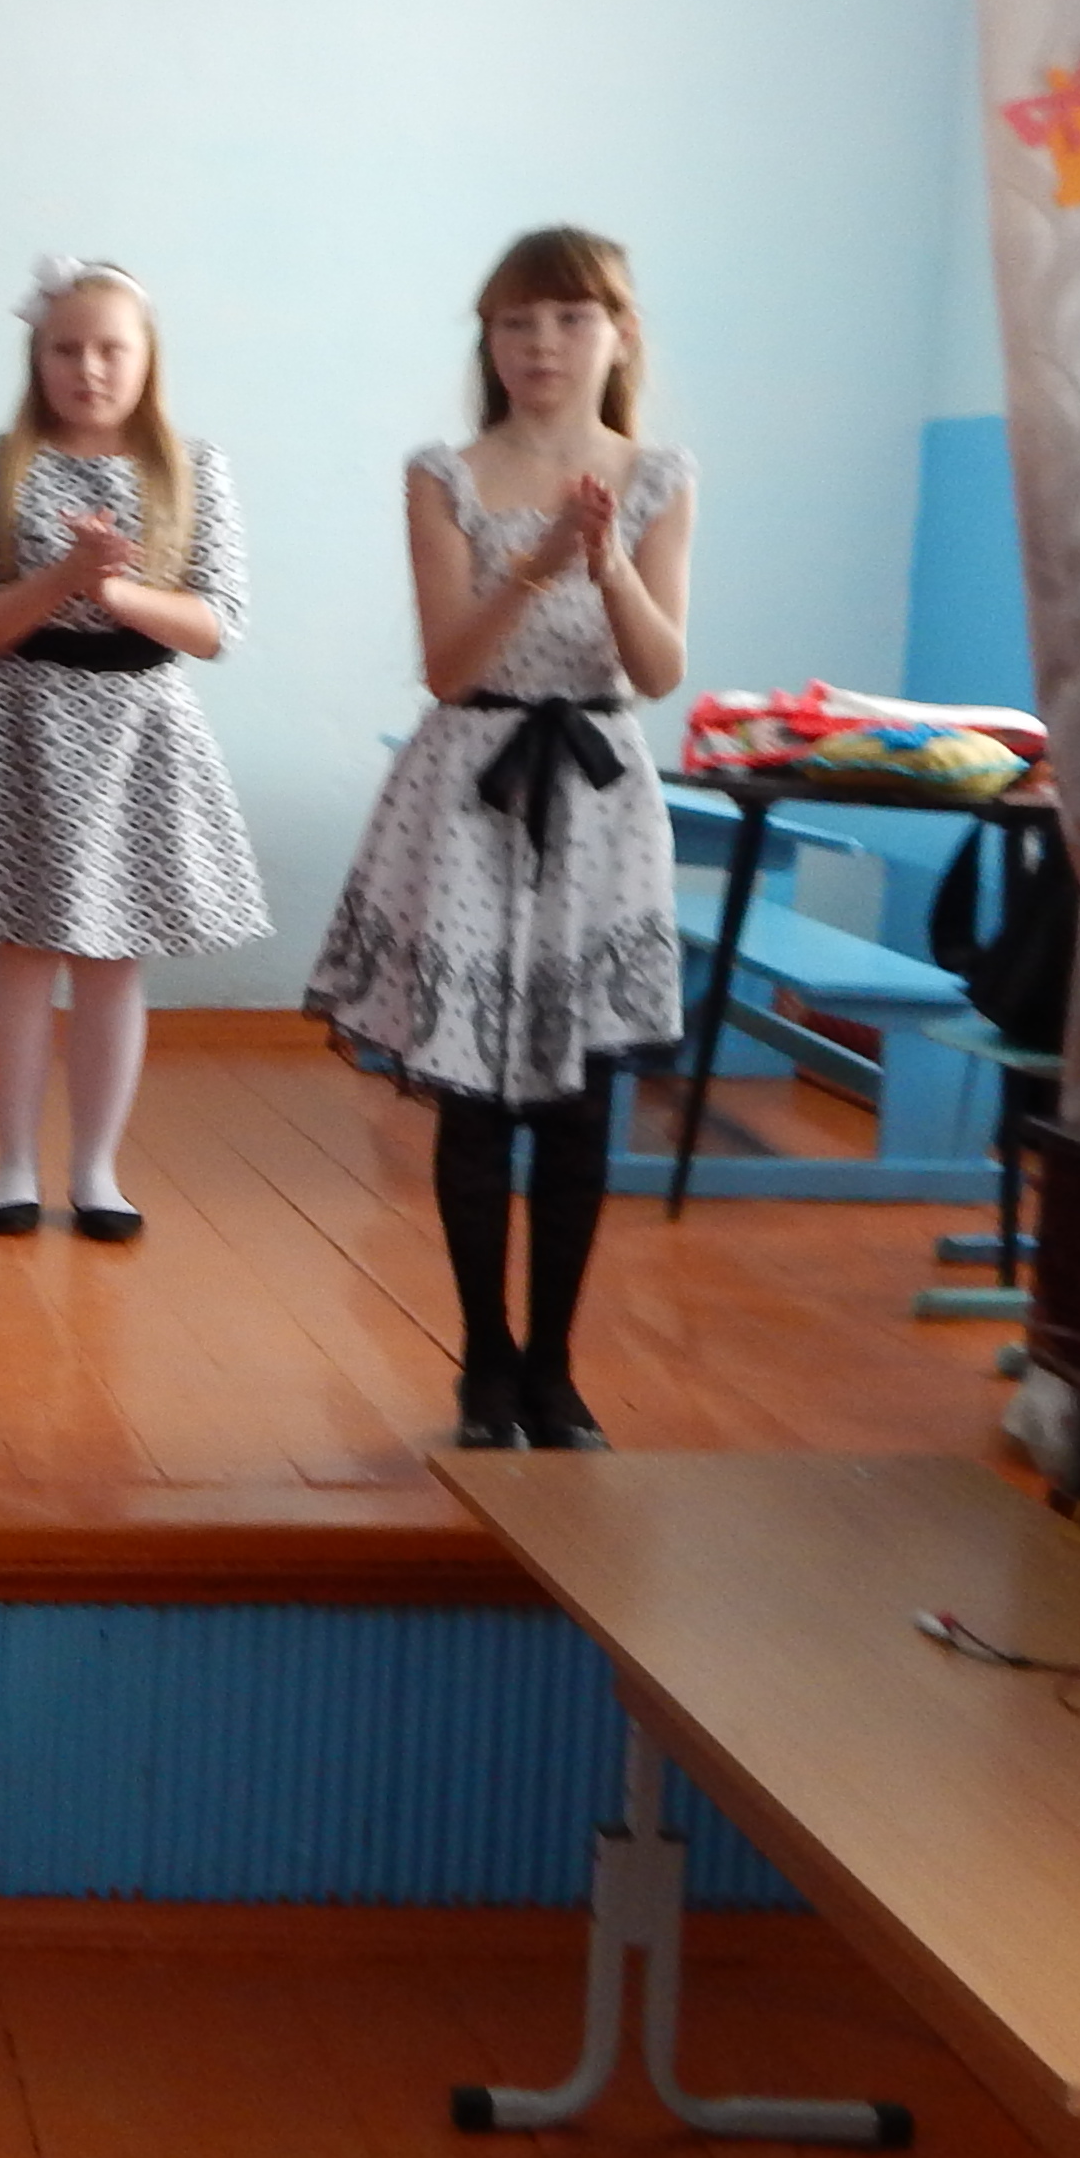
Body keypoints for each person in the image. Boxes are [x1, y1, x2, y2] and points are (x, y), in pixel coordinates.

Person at [303, 226, 696, 1456]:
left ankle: (555, 1370)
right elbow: (446, 666)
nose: (542, 344)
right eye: (517, 322)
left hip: (600, 799)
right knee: (472, 1098)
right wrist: (533, 566)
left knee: (578, 1104)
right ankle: (484, 1359)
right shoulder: (444, 474)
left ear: (619, 336)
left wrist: (607, 564)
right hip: (471, 790)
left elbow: (660, 670)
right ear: (489, 340)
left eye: (570, 319)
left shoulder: (658, 476)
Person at [0, 257, 267, 1241]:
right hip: (20, 727)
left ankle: (95, 1170)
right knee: (21, 954)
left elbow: (217, 624)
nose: (88, 368)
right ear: (37, 358)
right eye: (66, 349)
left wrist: (115, 591)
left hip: (138, 735)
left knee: (114, 961)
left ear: (146, 356)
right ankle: (11, 1164)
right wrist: (65, 578)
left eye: (110, 349)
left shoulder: (191, 466)